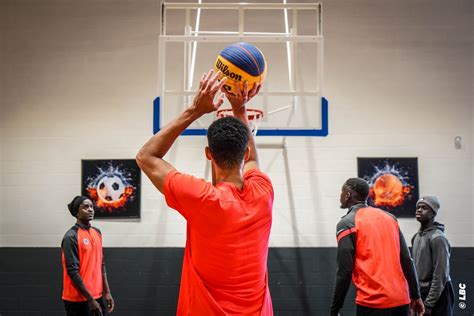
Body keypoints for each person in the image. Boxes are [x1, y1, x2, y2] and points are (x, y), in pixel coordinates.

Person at [136, 70, 274, 315]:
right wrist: (239, 108)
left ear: (209, 154)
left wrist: (196, 110)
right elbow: (252, 158)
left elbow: (146, 156)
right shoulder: (263, 193)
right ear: (243, 154)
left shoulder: (200, 198)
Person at [330, 178, 424, 316]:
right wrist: (416, 295)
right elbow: (406, 259)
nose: (340, 196)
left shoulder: (346, 223)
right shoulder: (390, 218)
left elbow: (344, 272)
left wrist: (335, 309)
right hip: (402, 301)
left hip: (373, 303)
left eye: (341, 192)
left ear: (347, 195)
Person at [61, 195, 115, 316]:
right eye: (85, 207)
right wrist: (90, 299)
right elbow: (72, 271)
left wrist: (107, 292)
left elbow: (101, 263)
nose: (90, 209)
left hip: (97, 295)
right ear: (77, 212)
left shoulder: (97, 233)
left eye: (91, 206)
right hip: (77, 299)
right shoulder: (71, 236)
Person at [412, 196, 454, 316]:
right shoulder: (416, 237)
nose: (419, 210)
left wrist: (429, 304)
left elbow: (440, 275)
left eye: (424, 208)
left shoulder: (438, 238)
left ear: (433, 213)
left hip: (438, 295)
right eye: (418, 207)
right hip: (422, 293)